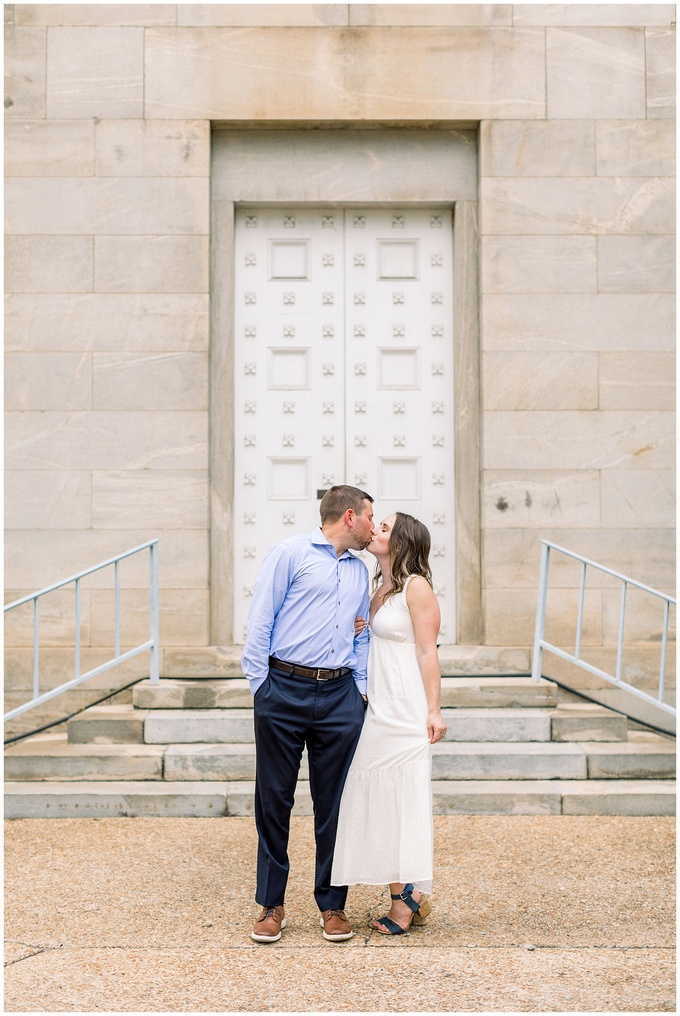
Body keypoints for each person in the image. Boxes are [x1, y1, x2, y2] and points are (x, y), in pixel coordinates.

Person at [241, 485, 375, 944]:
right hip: (283, 689)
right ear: (350, 517)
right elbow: (261, 618)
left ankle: (333, 905)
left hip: (339, 695)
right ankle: (271, 904)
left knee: (335, 805)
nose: (375, 528)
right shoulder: (290, 553)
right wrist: (261, 686)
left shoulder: (360, 571)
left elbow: (361, 634)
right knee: (273, 801)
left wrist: (358, 689)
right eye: (371, 518)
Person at [330, 511, 446, 934]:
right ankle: (406, 891)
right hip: (377, 707)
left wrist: (433, 710)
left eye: (383, 527)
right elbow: (373, 640)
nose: (374, 529)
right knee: (376, 795)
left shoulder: (417, 587)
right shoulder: (379, 589)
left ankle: (404, 900)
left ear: (400, 542)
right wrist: (364, 627)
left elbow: (427, 652)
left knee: (403, 801)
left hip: (406, 707)